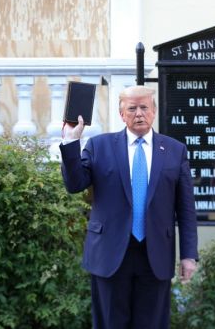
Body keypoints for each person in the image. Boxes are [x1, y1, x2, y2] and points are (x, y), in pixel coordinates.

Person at [59, 85, 198, 328]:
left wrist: (188, 255)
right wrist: (72, 143)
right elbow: (74, 184)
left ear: (154, 111)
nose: (139, 113)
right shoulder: (99, 147)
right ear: (122, 114)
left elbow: (186, 210)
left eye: (144, 107)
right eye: (132, 108)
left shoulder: (175, 151)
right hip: (110, 254)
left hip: (155, 256)